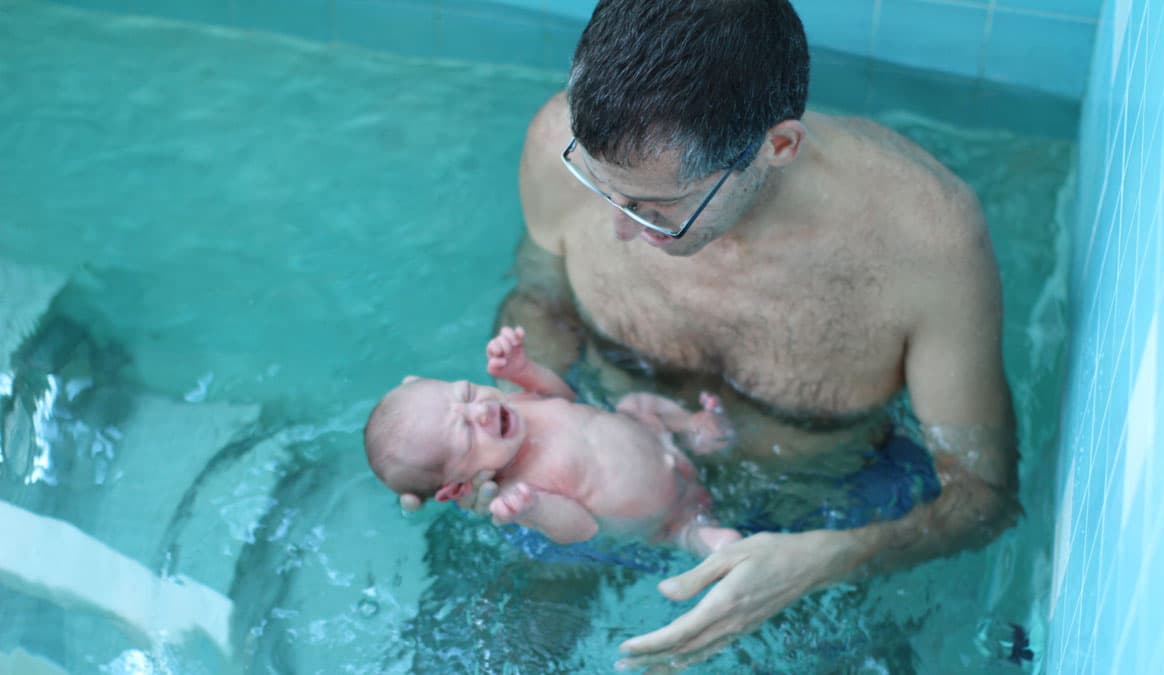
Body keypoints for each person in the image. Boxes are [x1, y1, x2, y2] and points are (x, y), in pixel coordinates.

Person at [420, 0, 1020, 669]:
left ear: (777, 147)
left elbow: (981, 497)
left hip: (816, 510)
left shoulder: (925, 241)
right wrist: (494, 441)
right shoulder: (555, 139)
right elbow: (540, 303)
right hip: (596, 490)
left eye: (654, 209)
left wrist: (825, 560)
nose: (618, 228)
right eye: (600, 185)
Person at [365, 326, 743, 557]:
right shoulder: (517, 491)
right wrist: (533, 510)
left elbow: (564, 398)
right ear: (460, 486)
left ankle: (692, 429)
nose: (480, 410)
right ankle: (701, 537)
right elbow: (582, 529)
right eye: (467, 432)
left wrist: (523, 370)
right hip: (666, 511)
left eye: (467, 393)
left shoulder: (513, 405)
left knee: (636, 404)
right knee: (687, 533)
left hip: (653, 439)